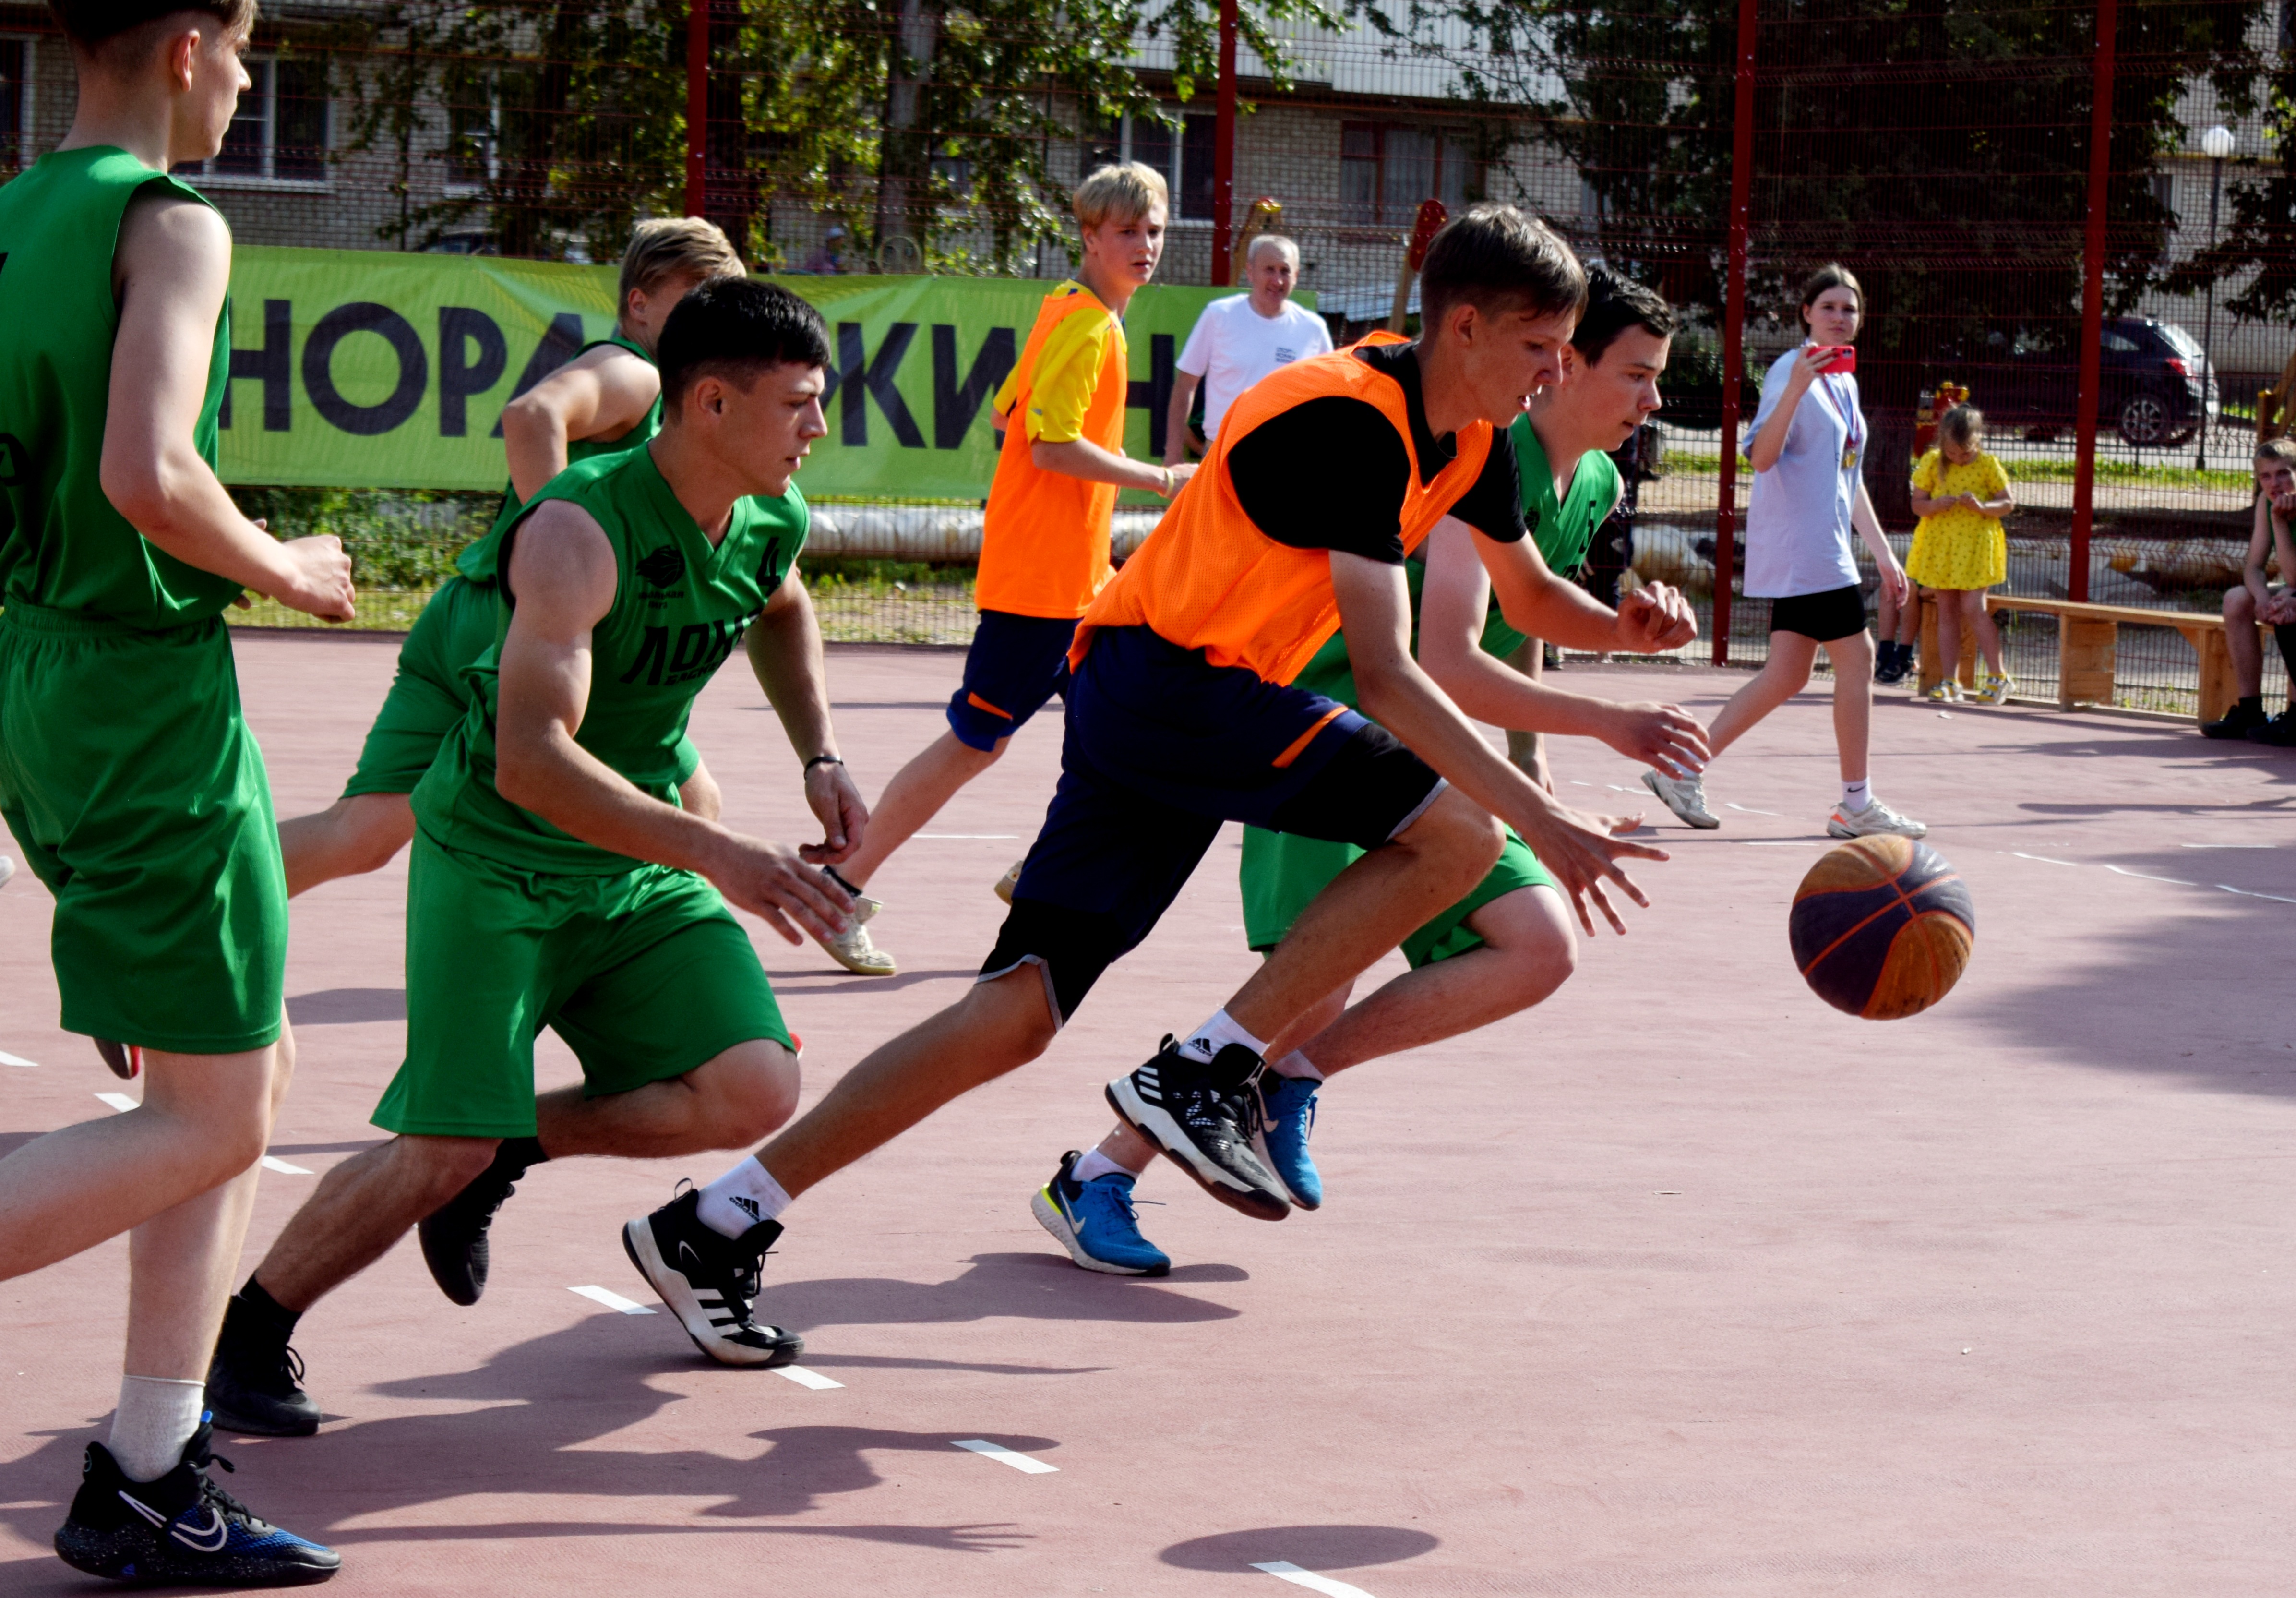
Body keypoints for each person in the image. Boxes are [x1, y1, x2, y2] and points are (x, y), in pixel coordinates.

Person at [619, 206, 1695, 1363]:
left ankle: (720, 1215)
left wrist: (1622, 632)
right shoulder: (1353, 419)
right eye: (1541, 347)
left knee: (1014, 1014)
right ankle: (1206, 1069)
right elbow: (1389, 670)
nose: (1553, 372)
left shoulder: (1470, 440)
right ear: (1468, 328)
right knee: (1461, 836)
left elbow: (1524, 600)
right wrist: (1547, 818)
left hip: (1161, 693)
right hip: (1171, 683)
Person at [203, 280, 866, 1437]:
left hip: (631, 863)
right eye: (801, 405)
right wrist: (726, 853)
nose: (818, 428)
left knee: (754, 1083)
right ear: (710, 402)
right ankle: (250, 1330)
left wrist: (820, 752)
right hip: (502, 860)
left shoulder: (769, 516)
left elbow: (781, 607)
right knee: (437, 1146)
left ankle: (512, 1141)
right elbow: (533, 763)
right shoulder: (575, 530)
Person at [1032, 267, 1710, 1274]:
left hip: (1430, 753)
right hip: (1330, 726)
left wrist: (1621, 634)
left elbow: (1521, 614)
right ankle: (1097, 1174)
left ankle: (1283, 1081)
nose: (1652, 401)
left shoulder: (1593, 482)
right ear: (1561, 364)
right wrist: (1597, 725)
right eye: (1635, 374)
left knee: (1535, 947)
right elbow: (1444, 661)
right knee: (1316, 979)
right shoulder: (1488, 437)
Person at [0, 3, 356, 1583]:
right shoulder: (170, 218)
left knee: (217, 1070)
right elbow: (149, 468)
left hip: (36, 675)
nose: (242, 85)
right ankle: (147, 1461)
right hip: (140, 686)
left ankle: (149, 1465)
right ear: (192, 43)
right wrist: (291, 566)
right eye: (243, 52)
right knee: (228, 1106)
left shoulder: (14, 211)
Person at [272, 218, 745, 900]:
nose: (708, 317)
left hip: (469, 613)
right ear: (639, 301)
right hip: (505, 622)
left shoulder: (665, 391)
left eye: (717, 301)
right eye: (693, 294)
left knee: (362, 834)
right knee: (688, 808)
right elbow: (531, 416)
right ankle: (631, 962)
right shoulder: (633, 372)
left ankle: (190, 897)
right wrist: (554, 556)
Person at [807, 164, 1192, 977]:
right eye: (1127, 231)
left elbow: (1006, 413)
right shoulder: (1089, 328)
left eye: (1153, 231)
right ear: (1089, 237)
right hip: (1038, 589)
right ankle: (838, 889)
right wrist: (1160, 478)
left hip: (1073, 584)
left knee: (1119, 732)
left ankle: (1041, 871)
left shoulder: (1068, 309)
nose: (1144, 246)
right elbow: (1047, 444)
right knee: (974, 742)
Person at [1640, 264, 1926, 841]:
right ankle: (1855, 803)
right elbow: (1761, 456)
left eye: (1849, 309)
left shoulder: (1845, 382)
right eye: (1829, 307)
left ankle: (1680, 770)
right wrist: (1796, 386)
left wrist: (1884, 553)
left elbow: (1849, 478)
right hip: (1806, 549)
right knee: (1859, 659)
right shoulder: (1787, 371)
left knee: (1785, 674)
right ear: (1806, 313)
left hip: (1825, 547)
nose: (1840, 317)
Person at [1163, 234, 1333, 466]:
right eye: (1269, 269)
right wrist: (1173, 455)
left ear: (1296, 276)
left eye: (1285, 271)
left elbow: (1330, 401)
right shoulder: (1219, 316)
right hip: (1222, 455)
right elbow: (1185, 385)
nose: (1277, 280)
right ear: (1250, 271)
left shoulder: (1313, 329)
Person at [1905, 403, 2015, 705]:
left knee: (1974, 608)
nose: (1958, 458)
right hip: (1943, 548)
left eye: (1965, 453)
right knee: (1947, 613)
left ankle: (1999, 676)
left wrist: (1982, 507)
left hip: (1976, 547)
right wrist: (1935, 506)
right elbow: (1918, 505)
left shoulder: (1988, 465)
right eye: (1953, 453)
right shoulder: (1932, 463)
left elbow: (2007, 504)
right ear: (1943, 443)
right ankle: (1949, 680)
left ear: (1978, 441)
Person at [2200, 437, 2296, 743]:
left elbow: (2295, 578)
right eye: (2265, 476)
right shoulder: (2266, 503)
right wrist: (2262, 598)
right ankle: (2250, 710)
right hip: (2294, 587)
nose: (2275, 483)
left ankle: (2295, 714)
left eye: (2283, 473)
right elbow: (2253, 567)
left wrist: (2280, 524)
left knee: (2287, 606)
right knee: (2237, 599)